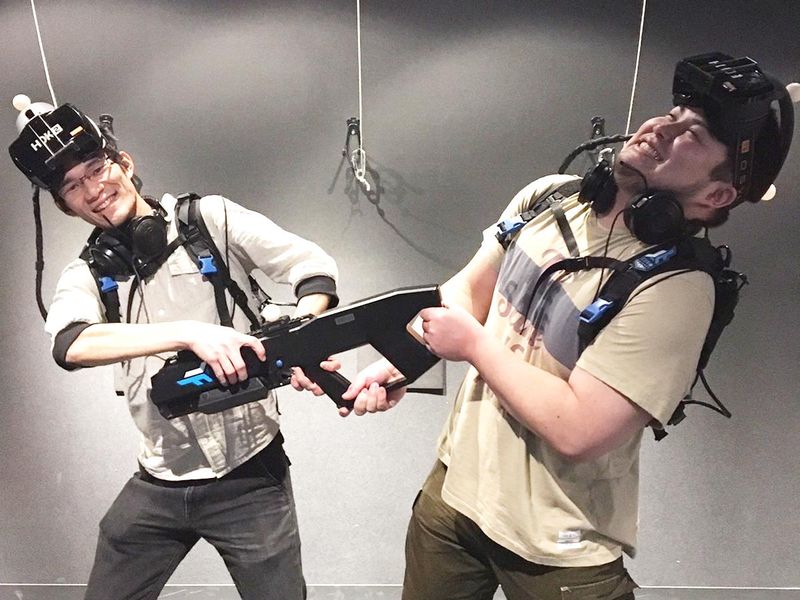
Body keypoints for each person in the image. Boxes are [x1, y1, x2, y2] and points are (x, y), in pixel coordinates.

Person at [303, 53, 794, 599]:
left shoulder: (676, 288)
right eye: (673, 114)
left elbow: (579, 429)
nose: (663, 128)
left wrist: (474, 347)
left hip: (559, 542)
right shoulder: (551, 197)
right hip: (455, 491)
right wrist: (400, 362)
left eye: (693, 136)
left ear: (716, 195)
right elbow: (467, 293)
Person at [9, 101, 339, 600]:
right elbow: (71, 343)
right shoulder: (87, 273)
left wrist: (298, 336)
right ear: (65, 206)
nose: (93, 190)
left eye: (96, 169)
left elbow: (312, 268)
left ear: (125, 164)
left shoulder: (211, 219)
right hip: (160, 475)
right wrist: (188, 333)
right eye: (73, 186)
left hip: (250, 472)